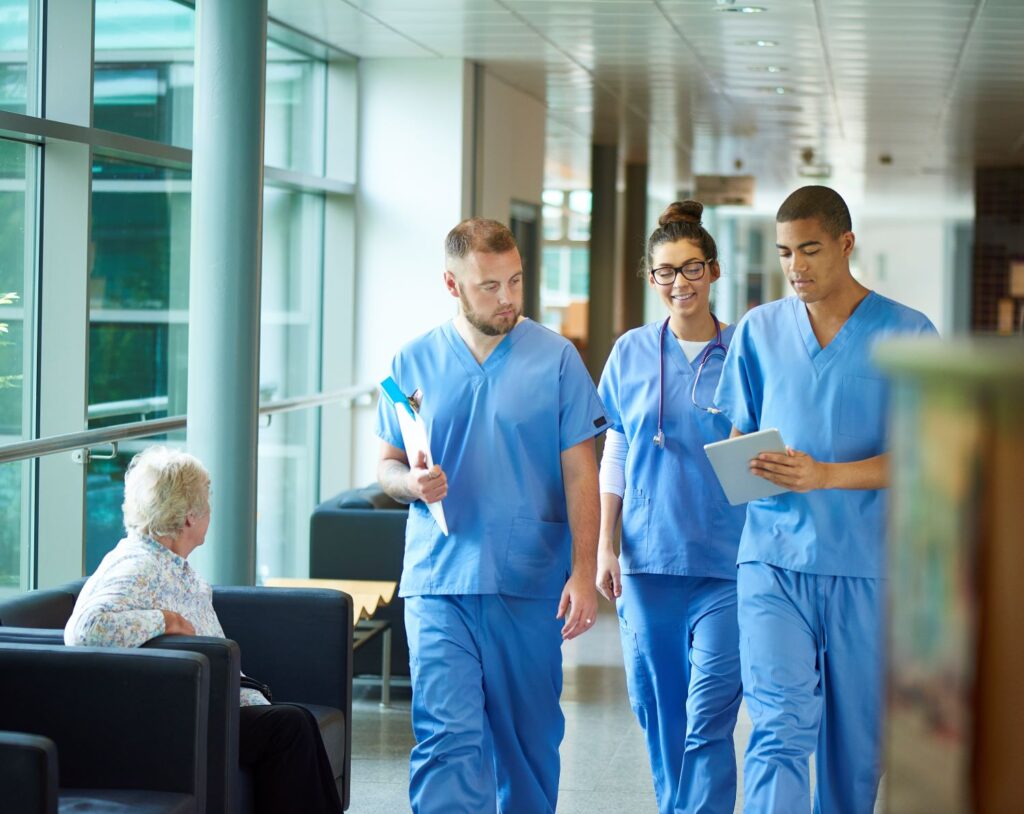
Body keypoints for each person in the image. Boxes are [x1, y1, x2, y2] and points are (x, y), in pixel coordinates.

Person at [714, 186, 938, 813]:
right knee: (778, 728)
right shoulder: (759, 329)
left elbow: (923, 457)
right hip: (772, 562)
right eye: (785, 252)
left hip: (865, 568)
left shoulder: (908, 333)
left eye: (809, 250)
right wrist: (741, 466)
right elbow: (741, 434)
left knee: (854, 751)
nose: (796, 267)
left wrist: (825, 476)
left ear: (846, 244)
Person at [375, 217, 606, 814]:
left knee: (527, 745)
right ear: (452, 286)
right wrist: (412, 484)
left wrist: (583, 574)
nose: (507, 299)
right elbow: (387, 466)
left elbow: (583, 472)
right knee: (446, 738)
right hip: (439, 578)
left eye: (516, 281)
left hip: (527, 579)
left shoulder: (556, 359)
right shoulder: (413, 359)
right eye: (490, 286)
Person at [65, 446, 342, 814]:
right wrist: (164, 621)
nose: (211, 511)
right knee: (289, 726)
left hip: (220, 701)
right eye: (206, 503)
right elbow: (84, 629)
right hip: (185, 714)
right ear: (189, 518)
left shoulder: (176, 566)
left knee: (295, 722)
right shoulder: (138, 565)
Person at [595, 200, 745, 814]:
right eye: (665, 271)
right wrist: (606, 543)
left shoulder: (744, 350)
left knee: (711, 707)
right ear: (650, 277)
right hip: (649, 557)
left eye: (691, 268)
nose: (678, 283)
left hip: (728, 559)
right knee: (658, 705)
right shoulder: (630, 351)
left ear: (713, 272)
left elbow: (763, 441)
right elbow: (618, 445)